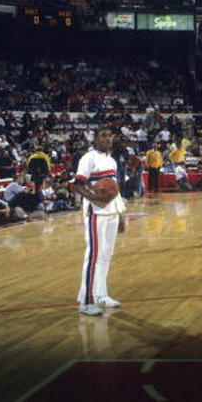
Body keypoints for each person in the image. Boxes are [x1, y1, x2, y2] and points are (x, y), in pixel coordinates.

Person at [75, 128, 126, 316]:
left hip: (112, 212)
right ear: (95, 139)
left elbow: (114, 189)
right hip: (96, 213)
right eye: (103, 135)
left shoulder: (112, 160)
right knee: (93, 256)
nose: (108, 138)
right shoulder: (88, 158)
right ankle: (86, 300)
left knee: (106, 255)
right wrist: (95, 200)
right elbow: (78, 185)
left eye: (109, 135)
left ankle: (101, 294)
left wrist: (121, 213)